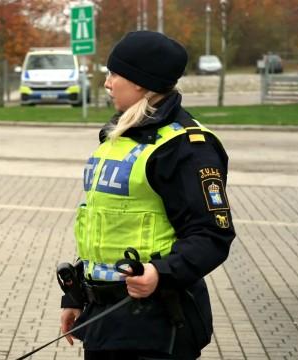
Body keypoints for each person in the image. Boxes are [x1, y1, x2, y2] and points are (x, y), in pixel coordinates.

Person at [59, 31, 236, 360]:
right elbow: (104, 224)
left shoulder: (186, 147)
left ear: (140, 82)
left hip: (156, 327)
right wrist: (76, 296)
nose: (107, 83)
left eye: (114, 74)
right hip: (104, 320)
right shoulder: (119, 137)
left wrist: (161, 273)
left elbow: (212, 234)